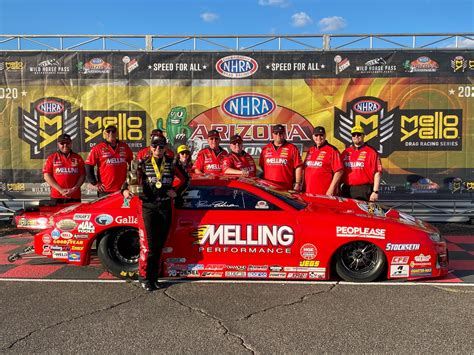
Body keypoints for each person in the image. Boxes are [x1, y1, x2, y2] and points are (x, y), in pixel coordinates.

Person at [121, 135, 189, 291]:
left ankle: (155, 277)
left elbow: (186, 179)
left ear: (166, 148)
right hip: (147, 208)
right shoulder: (142, 164)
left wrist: (176, 192)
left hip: (165, 206)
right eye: (155, 146)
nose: (158, 149)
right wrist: (125, 191)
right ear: (150, 147)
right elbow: (126, 184)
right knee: (148, 246)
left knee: (159, 245)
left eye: (161, 146)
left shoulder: (172, 163)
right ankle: (144, 278)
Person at [85, 124, 133, 197]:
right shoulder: (98, 148)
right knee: (105, 209)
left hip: (123, 190)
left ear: (116, 133)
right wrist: (95, 183)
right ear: (105, 133)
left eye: (113, 131)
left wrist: (130, 180)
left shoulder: (124, 146)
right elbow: (88, 166)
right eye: (108, 131)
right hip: (105, 190)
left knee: (122, 208)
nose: (111, 133)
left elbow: (132, 164)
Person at [341, 125, 383, 202]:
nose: (356, 136)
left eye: (359, 134)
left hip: (363, 189)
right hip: (346, 189)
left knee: (364, 214)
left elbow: (378, 172)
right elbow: (340, 171)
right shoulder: (346, 152)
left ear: (363, 135)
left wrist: (375, 191)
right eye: (354, 134)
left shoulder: (371, 152)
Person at [42, 133, 85, 203]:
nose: (65, 145)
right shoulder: (52, 158)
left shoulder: (78, 158)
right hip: (57, 196)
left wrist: (74, 189)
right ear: (58, 144)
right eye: (62, 143)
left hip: (74, 195)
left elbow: (82, 176)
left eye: (67, 143)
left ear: (71, 143)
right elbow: (46, 176)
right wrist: (60, 190)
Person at [259, 124, 303, 190]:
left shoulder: (292, 148)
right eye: (276, 133)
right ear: (272, 134)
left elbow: (298, 166)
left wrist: (297, 183)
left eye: (281, 133)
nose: (278, 135)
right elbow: (262, 166)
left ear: (284, 134)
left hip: (286, 188)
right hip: (269, 188)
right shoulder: (265, 148)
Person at [303, 126, 343, 196]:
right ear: (313, 136)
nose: (319, 138)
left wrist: (331, 189)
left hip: (325, 193)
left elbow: (339, 171)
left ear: (325, 136)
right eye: (316, 135)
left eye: (321, 135)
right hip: (308, 192)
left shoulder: (332, 150)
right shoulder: (310, 150)